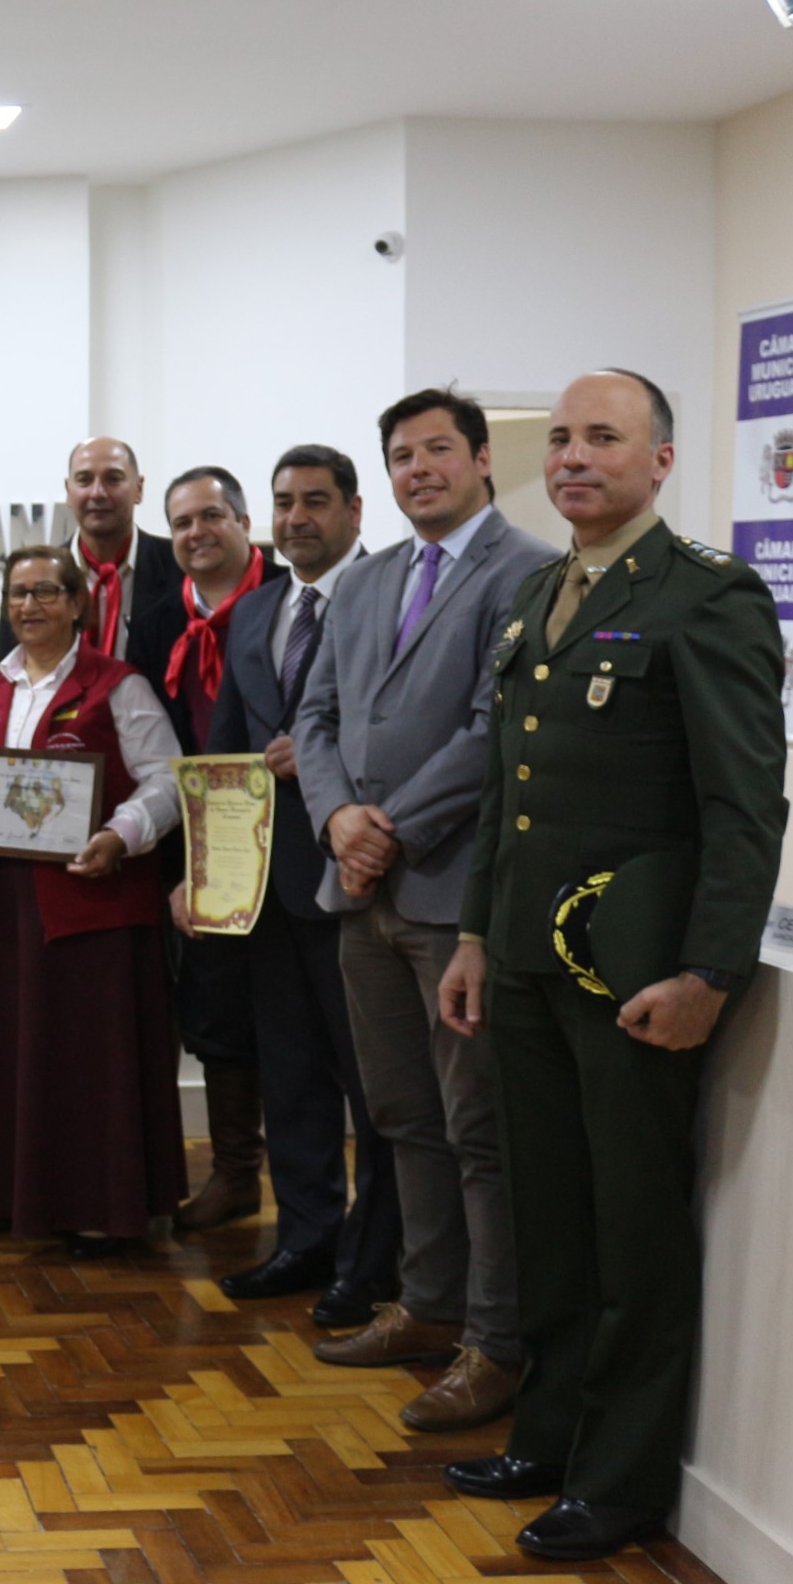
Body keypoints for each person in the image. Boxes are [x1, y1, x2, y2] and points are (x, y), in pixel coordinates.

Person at [438, 371, 786, 1560]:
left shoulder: (706, 595)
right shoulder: (541, 592)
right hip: (525, 965)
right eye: (562, 439)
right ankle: (549, 1435)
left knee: (633, 1229)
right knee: (550, 1216)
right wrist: (477, 935)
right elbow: (509, 792)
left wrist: (710, 972)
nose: (575, 457)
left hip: (633, 977)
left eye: (604, 437)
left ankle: (622, 1477)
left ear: (662, 460)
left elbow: (745, 805)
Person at [296, 384, 558, 1433]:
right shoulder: (368, 579)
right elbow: (316, 716)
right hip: (361, 895)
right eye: (402, 456)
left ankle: (495, 1343)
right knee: (402, 1116)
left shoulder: (527, 572)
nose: (419, 470)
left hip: (456, 897)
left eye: (438, 449)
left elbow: (496, 730)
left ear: (482, 458)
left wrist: (387, 828)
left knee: (477, 1127)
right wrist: (334, 821)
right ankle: (429, 1302)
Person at [191, 446, 399, 1326]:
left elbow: (404, 729)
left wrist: (317, 758)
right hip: (269, 891)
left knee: (374, 1088)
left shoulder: (391, 596)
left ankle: (373, 1259)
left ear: (354, 509)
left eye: (315, 501)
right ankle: (305, 1238)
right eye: (283, 502)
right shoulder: (256, 609)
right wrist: (206, 875)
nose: (295, 518)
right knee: (292, 1077)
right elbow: (226, 752)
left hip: (360, 880)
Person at [0, 547, 187, 1252]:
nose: (30, 605)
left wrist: (119, 835)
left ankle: (99, 1206)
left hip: (92, 900)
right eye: (18, 593)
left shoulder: (118, 685)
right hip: (1, 904)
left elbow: (168, 779)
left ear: (77, 603)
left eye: (46, 591)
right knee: (3, 1054)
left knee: (86, 1063)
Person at [158, 466, 276, 1234]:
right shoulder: (155, 619)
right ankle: (235, 1174)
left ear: (241, 521)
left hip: (294, 840)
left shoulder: (290, 599)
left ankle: (312, 1195)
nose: (196, 532)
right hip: (198, 850)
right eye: (181, 522)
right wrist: (184, 867)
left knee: (298, 1022)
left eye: (211, 516)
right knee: (217, 1016)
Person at [2, 437, 186, 684]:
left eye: (113, 479)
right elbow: (11, 677)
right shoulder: (29, 580)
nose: (97, 492)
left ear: (139, 488)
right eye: (84, 480)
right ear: (68, 491)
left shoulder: (181, 570)